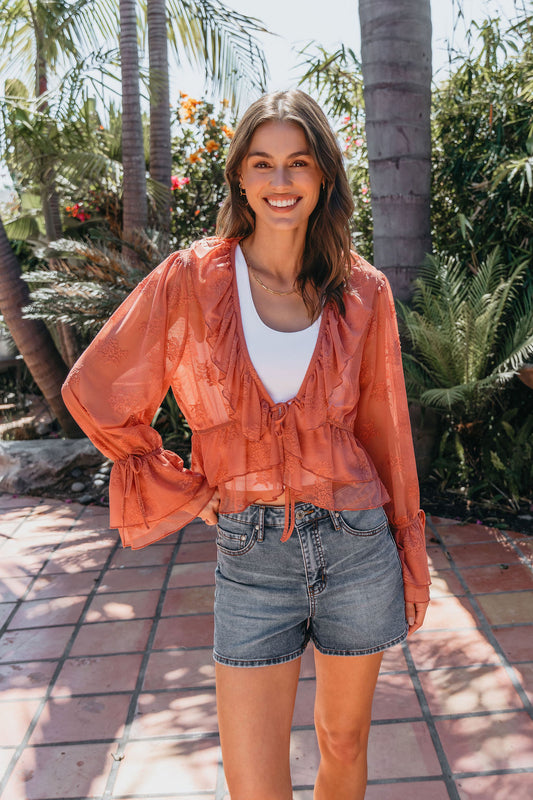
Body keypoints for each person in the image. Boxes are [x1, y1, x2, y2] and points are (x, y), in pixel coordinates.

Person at [62, 89, 431, 800]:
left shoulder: (364, 293)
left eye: (297, 163)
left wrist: (408, 552)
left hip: (357, 548)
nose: (280, 181)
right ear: (239, 177)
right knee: (254, 787)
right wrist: (183, 487)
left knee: (343, 743)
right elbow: (99, 387)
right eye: (262, 163)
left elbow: (386, 436)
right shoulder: (192, 281)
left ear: (323, 175)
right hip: (250, 557)